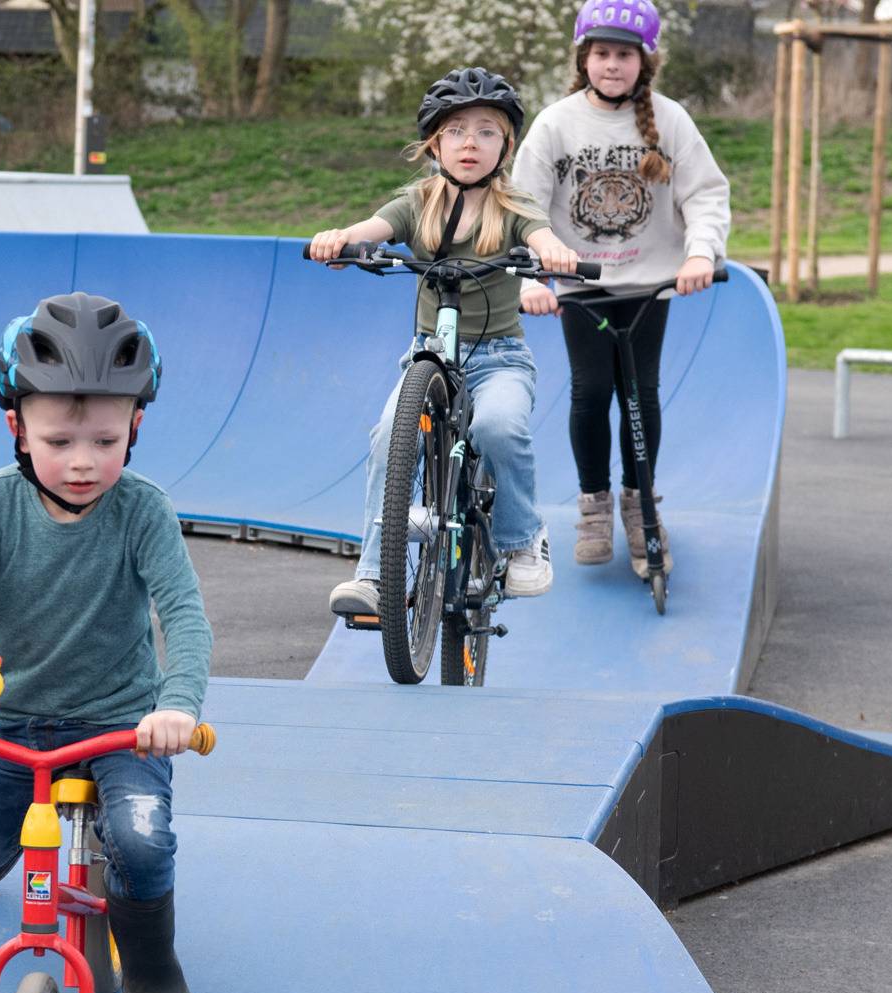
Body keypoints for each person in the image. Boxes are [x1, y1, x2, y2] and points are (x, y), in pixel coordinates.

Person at [0, 292, 225, 993]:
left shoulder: (142, 510)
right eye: (59, 439)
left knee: (142, 838)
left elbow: (184, 612)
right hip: (16, 726)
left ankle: (154, 978)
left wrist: (176, 705)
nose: (82, 461)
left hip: (121, 726)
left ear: (135, 427)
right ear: (17, 428)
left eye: (105, 439)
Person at [310, 67, 582, 615]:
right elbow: (370, 230)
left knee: (498, 426)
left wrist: (552, 251)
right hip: (430, 353)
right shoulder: (418, 203)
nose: (469, 143)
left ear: (506, 146)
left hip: (499, 358)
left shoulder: (514, 205)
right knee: (390, 436)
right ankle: (375, 575)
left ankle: (522, 540)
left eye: (486, 132)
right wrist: (341, 240)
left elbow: (540, 233)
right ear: (435, 144)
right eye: (456, 131)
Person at [513, 0, 731, 578]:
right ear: (584, 59)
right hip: (581, 284)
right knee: (590, 391)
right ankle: (593, 505)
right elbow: (524, 205)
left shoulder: (671, 120)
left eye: (624, 55)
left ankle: (640, 506)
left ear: (644, 62)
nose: (612, 65)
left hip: (648, 283)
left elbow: (705, 193)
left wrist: (700, 253)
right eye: (602, 53)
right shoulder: (556, 123)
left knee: (641, 391)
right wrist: (533, 277)